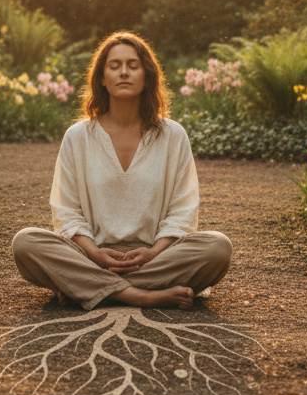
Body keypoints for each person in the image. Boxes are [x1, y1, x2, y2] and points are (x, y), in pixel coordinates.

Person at [12, 31, 232, 310]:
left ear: (147, 75)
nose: (124, 72)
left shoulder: (173, 136)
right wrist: (94, 253)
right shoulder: (77, 137)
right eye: (114, 66)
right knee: (26, 243)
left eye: (133, 65)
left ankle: (87, 287)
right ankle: (141, 296)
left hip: (156, 258)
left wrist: (153, 253)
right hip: (92, 257)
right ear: (102, 78)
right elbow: (66, 210)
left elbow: (182, 210)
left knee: (218, 248)